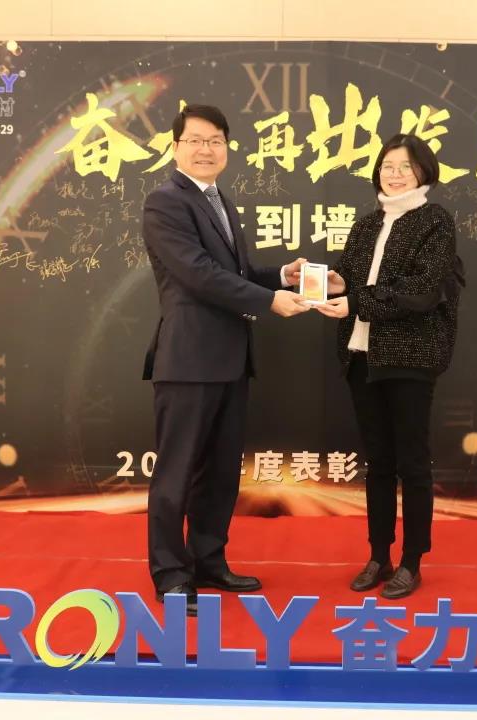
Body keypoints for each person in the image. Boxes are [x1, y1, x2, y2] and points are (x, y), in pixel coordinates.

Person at [141, 104, 309, 615]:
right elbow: (198, 274)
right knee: (176, 474)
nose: (206, 149)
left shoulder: (220, 201)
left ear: (228, 149)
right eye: (195, 140)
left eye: (215, 140)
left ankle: (208, 561)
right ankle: (171, 574)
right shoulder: (165, 202)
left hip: (231, 360)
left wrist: (281, 277)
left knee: (219, 474)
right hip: (188, 359)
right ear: (175, 147)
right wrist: (269, 301)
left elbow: (234, 272)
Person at [315, 134, 462, 599]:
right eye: (387, 166)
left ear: (423, 172)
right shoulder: (367, 224)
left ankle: (412, 561)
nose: (393, 174)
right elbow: (349, 277)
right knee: (378, 462)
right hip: (362, 356)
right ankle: (379, 555)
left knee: (412, 463)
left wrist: (356, 301)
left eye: (404, 167)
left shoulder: (434, 221)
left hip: (410, 357)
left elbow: (421, 290)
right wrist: (327, 282)